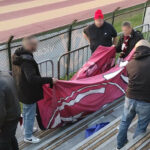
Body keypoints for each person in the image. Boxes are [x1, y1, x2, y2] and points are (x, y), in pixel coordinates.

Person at [12, 36, 57, 144]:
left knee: (27, 112)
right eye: (34, 45)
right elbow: (32, 79)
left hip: (22, 89)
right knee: (30, 113)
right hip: (29, 92)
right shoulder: (26, 61)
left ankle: (27, 129)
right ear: (29, 46)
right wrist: (50, 80)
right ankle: (28, 136)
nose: (36, 47)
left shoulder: (18, 55)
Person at [116, 40, 150, 149]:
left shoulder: (130, 64)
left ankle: (120, 145)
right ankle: (134, 146)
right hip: (146, 101)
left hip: (129, 98)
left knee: (124, 122)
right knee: (141, 126)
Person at [0, 71, 21, 150]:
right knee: (11, 138)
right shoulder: (6, 74)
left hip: (7, 120)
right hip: (15, 113)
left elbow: (1, 112)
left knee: (3, 143)